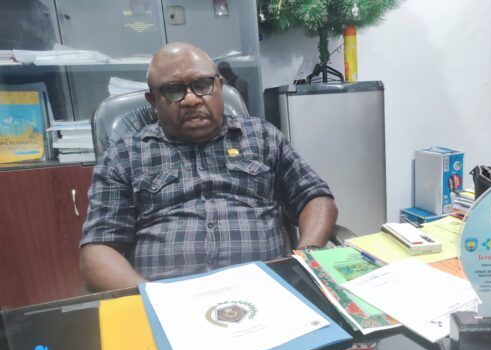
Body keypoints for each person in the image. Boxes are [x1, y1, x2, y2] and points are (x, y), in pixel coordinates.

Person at [80, 42, 338, 291]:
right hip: (169, 301)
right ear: (153, 101)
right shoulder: (124, 155)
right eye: (173, 90)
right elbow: (98, 251)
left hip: (269, 289)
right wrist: (152, 298)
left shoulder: (262, 137)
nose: (191, 100)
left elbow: (315, 197)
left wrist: (305, 258)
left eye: (202, 85)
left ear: (219, 86)